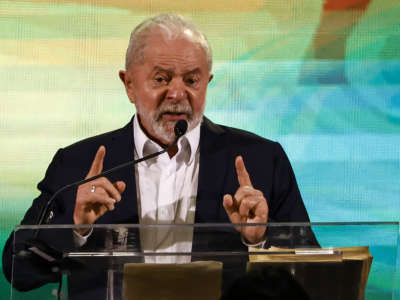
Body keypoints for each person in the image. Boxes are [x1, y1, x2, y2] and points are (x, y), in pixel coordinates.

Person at [2, 13, 317, 299]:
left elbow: (312, 274)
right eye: (162, 79)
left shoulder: (261, 159)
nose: (178, 93)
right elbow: (18, 269)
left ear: (207, 83)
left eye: (191, 80)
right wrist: (75, 230)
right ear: (129, 84)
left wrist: (258, 241)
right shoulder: (76, 164)